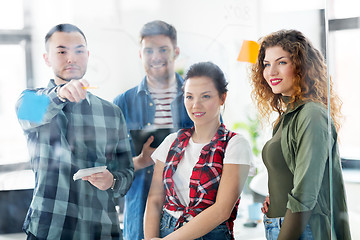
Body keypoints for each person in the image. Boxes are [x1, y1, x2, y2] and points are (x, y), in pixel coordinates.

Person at [16, 23, 134, 240]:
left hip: (102, 230)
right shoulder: (32, 101)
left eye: (79, 51)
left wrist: (113, 181)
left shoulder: (111, 112)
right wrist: (60, 94)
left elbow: (126, 172)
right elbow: (27, 113)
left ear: (87, 55)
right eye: (61, 51)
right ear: (47, 58)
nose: (71, 58)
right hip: (49, 229)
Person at [250, 29, 351, 239]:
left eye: (282, 62)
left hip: (303, 230)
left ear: (302, 66)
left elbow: (305, 194)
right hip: (280, 224)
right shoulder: (287, 116)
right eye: (267, 64)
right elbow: (290, 175)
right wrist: (275, 199)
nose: (271, 72)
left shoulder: (312, 114)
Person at [144, 61, 252, 240]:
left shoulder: (235, 144)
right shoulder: (171, 141)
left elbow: (221, 211)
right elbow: (155, 200)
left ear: (222, 98)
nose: (195, 105)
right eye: (189, 97)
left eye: (205, 96)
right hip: (165, 231)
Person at [113, 20, 193, 240]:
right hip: (139, 219)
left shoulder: (198, 96)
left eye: (163, 49)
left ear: (175, 52)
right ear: (140, 54)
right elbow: (108, 166)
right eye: (148, 50)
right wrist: (140, 161)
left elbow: (218, 152)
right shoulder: (123, 103)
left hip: (189, 218)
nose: (155, 57)